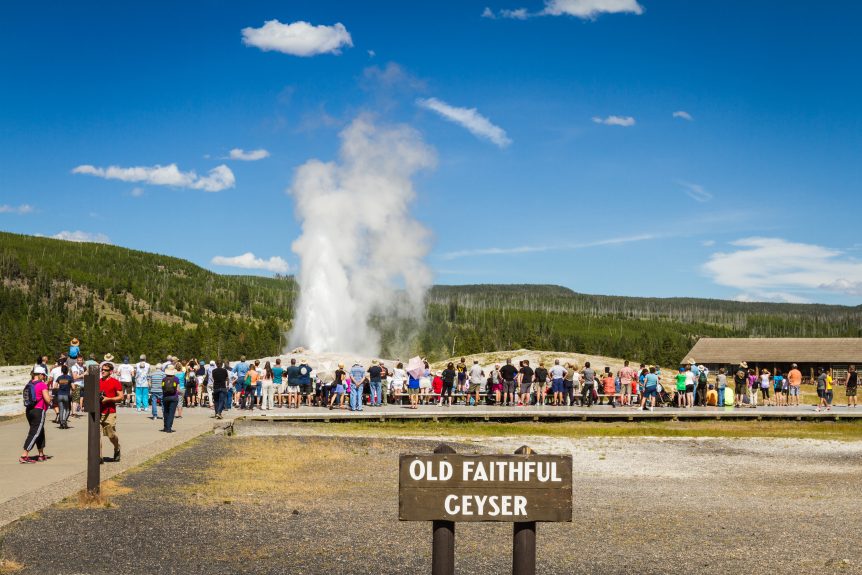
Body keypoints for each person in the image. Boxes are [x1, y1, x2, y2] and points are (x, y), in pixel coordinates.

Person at [20, 366, 52, 463]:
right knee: (35, 432)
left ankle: (41, 455)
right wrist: (51, 399)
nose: (44, 377)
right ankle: (24, 455)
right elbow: (47, 399)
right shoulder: (42, 385)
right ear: (41, 375)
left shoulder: (29, 384)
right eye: (44, 375)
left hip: (29, 410)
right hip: (39, 410)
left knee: (40, 431)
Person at [98, 362, 123, 462]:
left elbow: (121, 397)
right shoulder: (98, 381)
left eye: (105, 370)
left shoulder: (115, 382)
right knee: (96, 436)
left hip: (110, 412)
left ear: (111, 372)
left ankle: (117, 448)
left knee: (111, 435)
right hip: (98, 411)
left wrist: (109, 399)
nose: (103, 371)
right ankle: (99, 457)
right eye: (102, 370)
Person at [161, 365, 180, 432]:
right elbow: (178, 389)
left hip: (165, 397)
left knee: (166, 412)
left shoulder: (164, 379)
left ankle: (165, 427)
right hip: (174, 397)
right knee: (171, 413)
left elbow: (163, 388)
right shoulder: (176, 379)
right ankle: (169, 428)